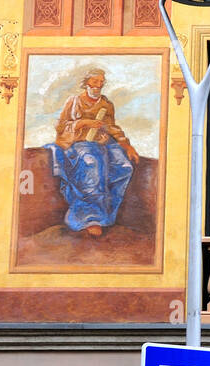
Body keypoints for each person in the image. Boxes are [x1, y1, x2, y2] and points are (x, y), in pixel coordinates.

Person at [46, 68, 140, 238]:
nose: (99, 85)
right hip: (79, 143)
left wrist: (126, 145)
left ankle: (106, 213)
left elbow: (111, 126)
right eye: (95, 81)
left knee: (125, 167)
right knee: (92, 165)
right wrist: (84, 123)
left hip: (103, 142)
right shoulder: (74, 101)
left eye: (101, 82)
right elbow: (61, 126)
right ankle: (90, 219)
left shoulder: (106, 104)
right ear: (87, 83)